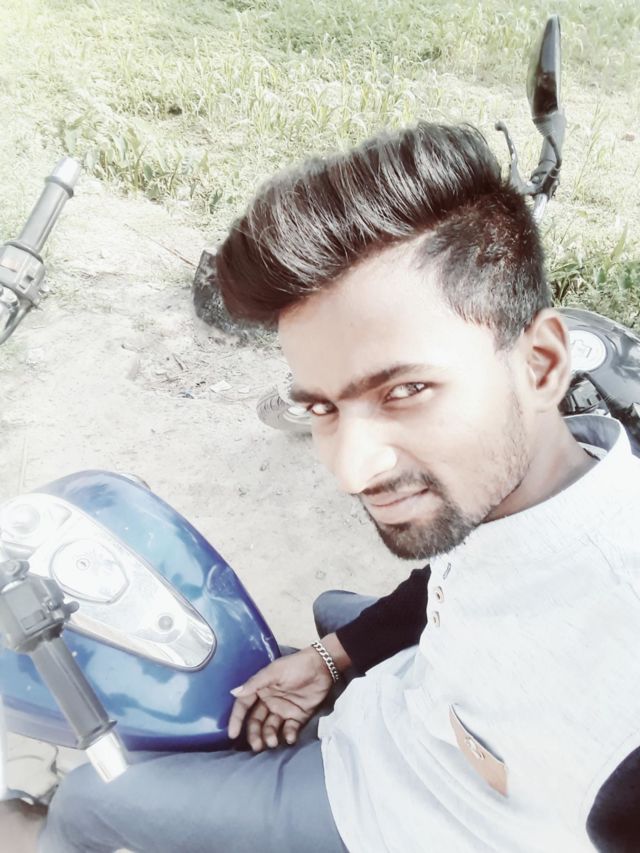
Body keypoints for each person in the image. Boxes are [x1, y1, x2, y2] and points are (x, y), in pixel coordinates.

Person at [6, 122, 640, 852]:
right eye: (321, 408)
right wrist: (332, 658)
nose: (351, 470)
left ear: (541, 364)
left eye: (405, 390)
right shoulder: (519, 489)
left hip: (387, 813)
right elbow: (462, 577)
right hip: (395, 710)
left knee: (92, 801)